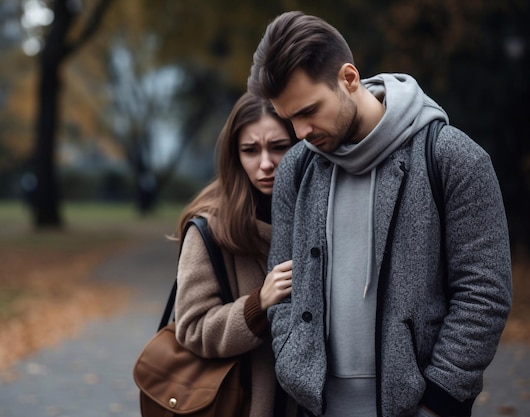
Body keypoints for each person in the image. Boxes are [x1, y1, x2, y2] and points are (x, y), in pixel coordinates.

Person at [246, 11, 513, 417]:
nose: (300, 132)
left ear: (349, 78)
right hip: (313, 405)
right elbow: (285, 280)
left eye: (309, 110)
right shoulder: (297, 170)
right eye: (290, 118)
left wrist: (439, 400)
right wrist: (292, 363)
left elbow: (485, 292)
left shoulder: (454, 159)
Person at [173, 91, 298, 417]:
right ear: (235, 155)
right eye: (250, 150)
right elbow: (191, 329)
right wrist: (258, 305)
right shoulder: (211, 227)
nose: (266, 163)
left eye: (279, 147)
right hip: (247, 402)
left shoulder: (319, 213)